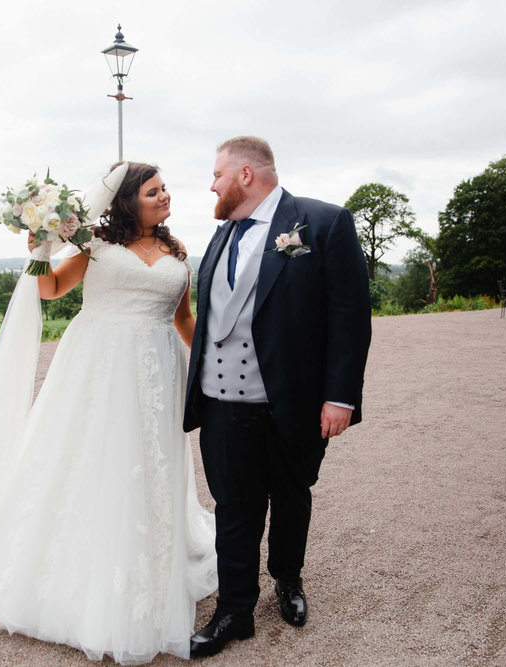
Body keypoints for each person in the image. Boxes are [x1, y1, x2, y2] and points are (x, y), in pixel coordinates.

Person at [0, 162, 217, 665]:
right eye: (154, 191)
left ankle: (153, 561)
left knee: (149, 463)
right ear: (127, 201)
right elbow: (50, 290)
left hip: (157, 373)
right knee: (91, 458)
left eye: (166, 190)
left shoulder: (177, 252)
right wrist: (39, 253)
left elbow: (183, 318)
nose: (165, 197)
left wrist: (214, 357)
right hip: (98, 366)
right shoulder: (95, 246)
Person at [184, 136, 372, 657]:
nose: (212, 184)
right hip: (222, 403)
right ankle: (234, 611)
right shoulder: (222, 235)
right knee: (234, 507)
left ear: (246, 174)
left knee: (291, 495)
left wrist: (340, 397)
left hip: (293, 401)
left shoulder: (324, 222)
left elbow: (349, 319)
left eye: (217, 175)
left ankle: (288, 580)